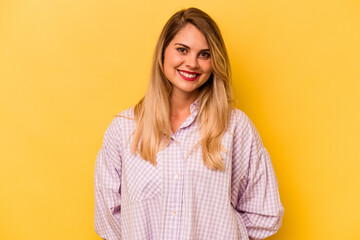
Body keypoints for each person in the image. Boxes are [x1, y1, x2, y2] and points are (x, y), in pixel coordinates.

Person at [94, 7, 284, 240]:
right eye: (182, 50)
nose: (192, 63)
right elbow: (108, 217)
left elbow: (265, 214)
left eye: (204, 54)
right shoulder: (124, 129)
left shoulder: (235, 128)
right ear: (163, 52)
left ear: (215, 62)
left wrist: (224, 230)